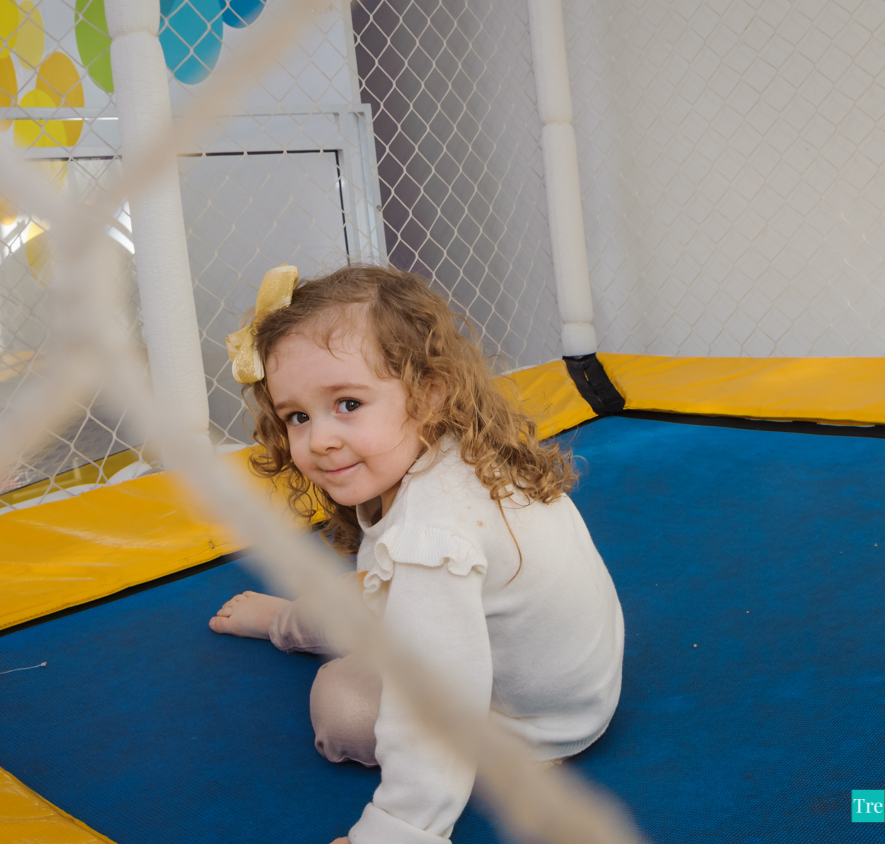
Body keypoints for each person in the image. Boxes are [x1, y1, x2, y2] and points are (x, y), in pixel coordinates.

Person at [210, 264, 624, 844]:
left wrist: (400, 830)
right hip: (582, 688)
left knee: (341, 705)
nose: (319, 439)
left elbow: (430, 701)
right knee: (382, 592)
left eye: (347, 403)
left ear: (428, 392)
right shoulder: (460, 454)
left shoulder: (431, 537)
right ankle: (290, 622)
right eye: (297, 416)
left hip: (530, 725)